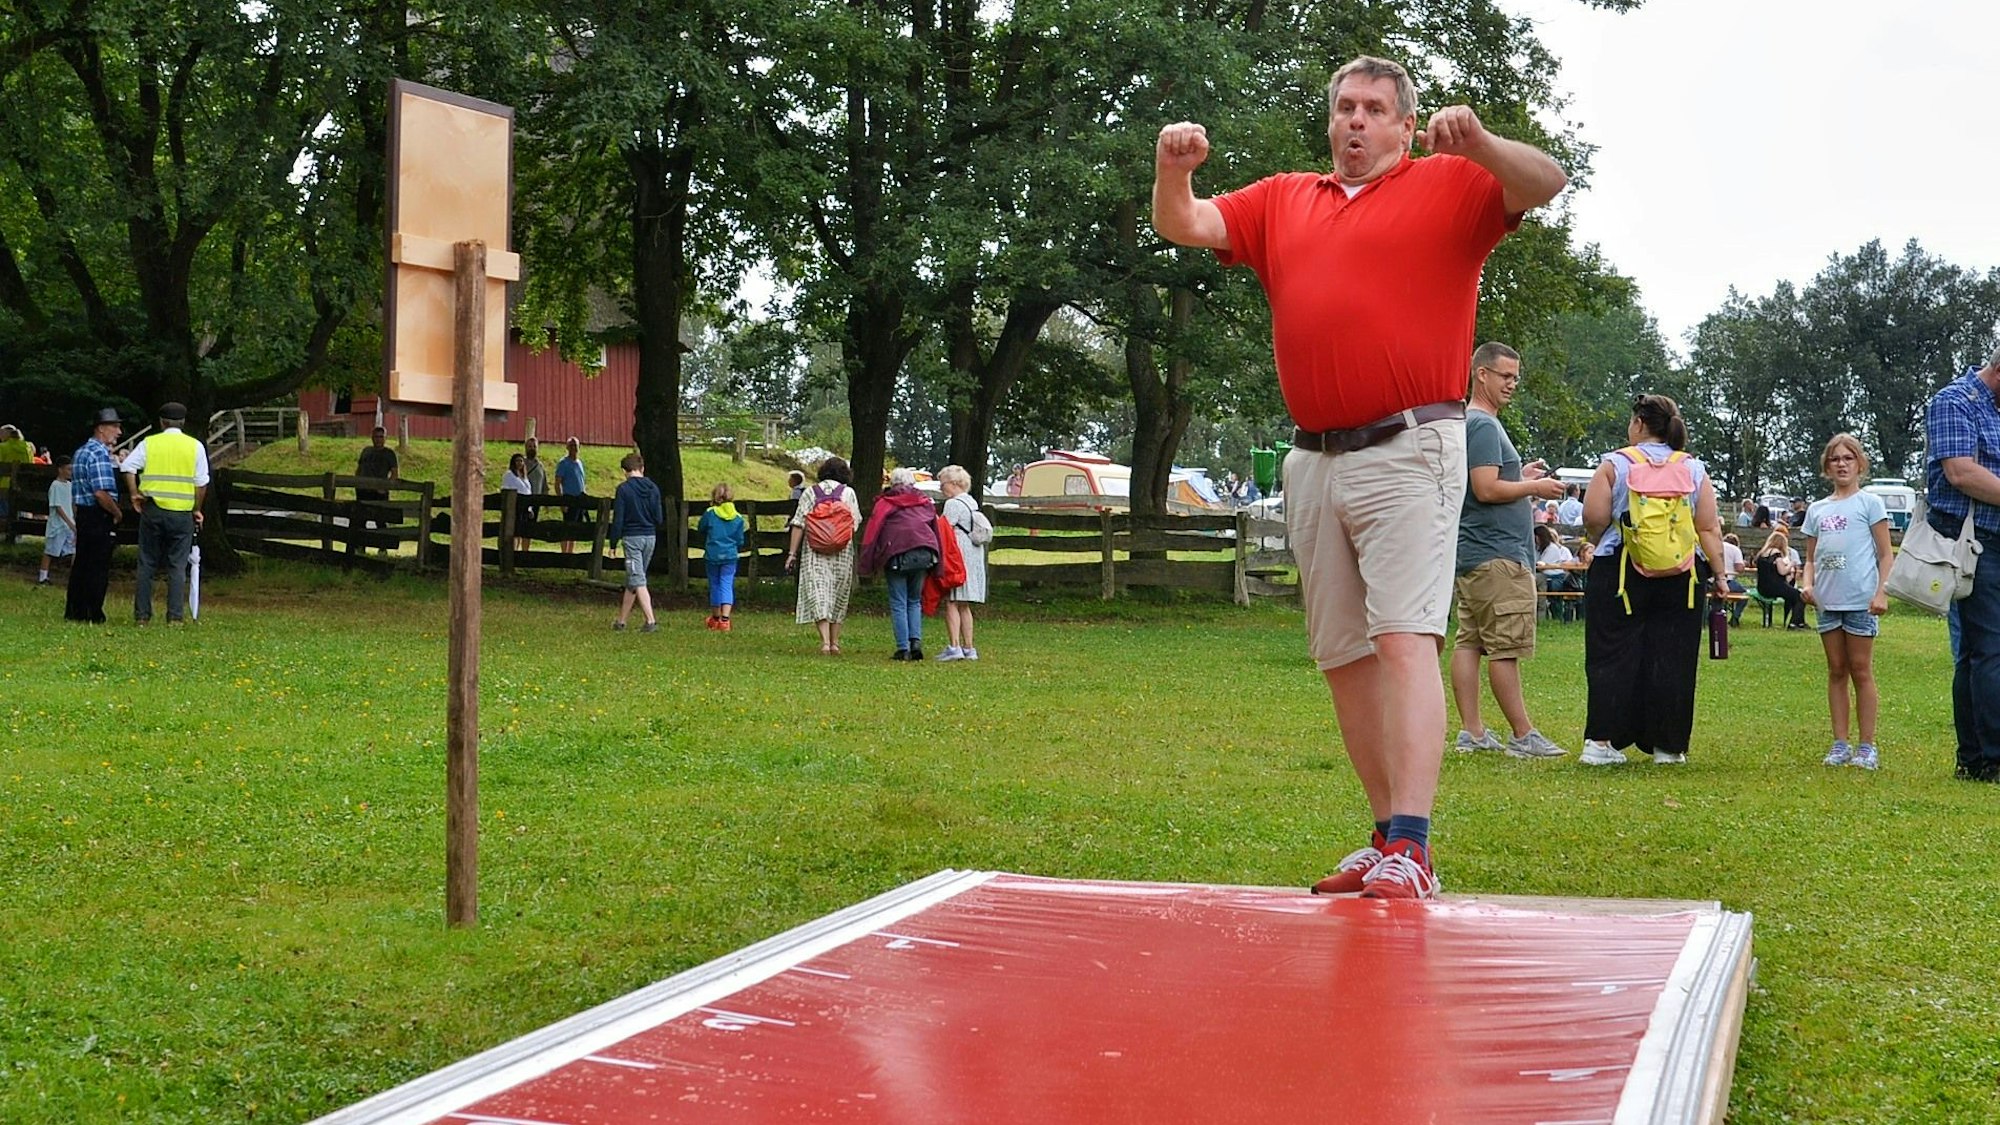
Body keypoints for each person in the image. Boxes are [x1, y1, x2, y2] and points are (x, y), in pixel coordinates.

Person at [1153, 54, 1566, 898]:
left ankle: (1413, 846)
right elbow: (1184, 225)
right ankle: (1384, 834)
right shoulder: (1281, 200)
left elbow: (1549, 180)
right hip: (1313, 457)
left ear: (1404, 126)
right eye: (1345, 106)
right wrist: (1172, 168)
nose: (1355, 120)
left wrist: (1480, 140)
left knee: (1404, 636)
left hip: (1412, 444)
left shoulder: (1450, 182)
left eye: (1375, 109)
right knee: (1343, 653)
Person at [1576, 395, 1726, 766]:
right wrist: (1721, 574)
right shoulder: (1693, 468)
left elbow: (1593, 517)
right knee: (1673, 657)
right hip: (1682, 574)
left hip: (1621, 568)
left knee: (1610, 655)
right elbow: (1707, 526)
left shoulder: (1615, 463)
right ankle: (1668, 747)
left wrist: (1596, 541)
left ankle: (1601, 743)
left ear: (1639, 423)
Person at [1449, 343, 1568, 759]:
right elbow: (1485, 488)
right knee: (1505, 646)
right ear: (1481, 374)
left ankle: (1473, 732)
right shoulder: (1482, 425)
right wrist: (1534, 488)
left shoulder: (1470, 422)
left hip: (1473, 553)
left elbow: (1490, 479)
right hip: (1497, 554)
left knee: (1470, 641)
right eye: (1505, 376)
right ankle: (1522, 735)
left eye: (1516, 377)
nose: (1512, 384)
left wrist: (1521, 474)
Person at [1924, 346, 2000, 782]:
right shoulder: (1954, 402)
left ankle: (1974, 758)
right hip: (1974, 546)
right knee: (1988, 651)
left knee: (1978, 653)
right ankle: (1990, 758)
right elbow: (1961, 472)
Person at [1799, 433, 1892, 770]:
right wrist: (1807, 585)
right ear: (1827, 466)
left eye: (1848, 458)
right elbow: (1810, 558)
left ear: (1859, 464)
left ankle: (1867, 746)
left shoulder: (1870, 504)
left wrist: (1882, 592)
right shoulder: (1817, 510)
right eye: (1835, 459)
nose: (1841, 464)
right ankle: (1840, 743)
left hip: (1860, 600)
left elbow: (1885, 554)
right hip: (1828, 601)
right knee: (1836, 670)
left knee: (1860, 669)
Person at [120, 402, 209, 625]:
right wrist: (197, 509)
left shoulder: (150, 443)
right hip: (182, 513)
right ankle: (175, 618)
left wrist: (134, 494)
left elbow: (127, 467)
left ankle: (142, 616)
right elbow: (201, 482)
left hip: (153, 509)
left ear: (162, 421)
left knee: (147, 563)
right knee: (177, 566)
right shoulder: (195, 446)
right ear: (183, 422)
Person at [859, 466, 941, 661]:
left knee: (898, 602)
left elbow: (872, 532)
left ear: (892, 483)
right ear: (912, 483)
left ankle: (902, 648)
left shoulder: (885, 503)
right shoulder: (924, 502)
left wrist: (867, 562)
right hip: (923, 553)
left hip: (896, 554)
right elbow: (935, 529)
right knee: (914, 600)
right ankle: (916, 643)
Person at [786, 457, 861, 654]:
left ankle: (825, 642)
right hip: (842, 551)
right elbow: (855, 523)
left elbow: (798, 523)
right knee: (838, 593)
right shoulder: (848, 493)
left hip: (814, 550)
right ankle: (835, 642)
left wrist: (792, 553)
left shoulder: (811, 492)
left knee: (818, 592)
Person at [66, 409, 124, 623]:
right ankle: (93, 611)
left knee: (82, 563)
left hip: (83, 513)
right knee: (98, 566)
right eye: (114, 427)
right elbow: (101, 492)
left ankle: (75, 610)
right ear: (101, 428)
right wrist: (117, 513)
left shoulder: (81, 451)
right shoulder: (99, 454)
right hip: (98, 515)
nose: (119, 432)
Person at [936, 464, 987, 661]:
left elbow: (943, 528)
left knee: (952, 601)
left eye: (943, 484)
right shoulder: (971, 502)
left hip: (958, 555)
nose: (942, 489)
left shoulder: (953, 504)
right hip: (973, 554)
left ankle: (954, 646)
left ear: (954, 484)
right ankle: (969, 647)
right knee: (964, 604)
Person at [607, 452, 662, 632]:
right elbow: (659, 517)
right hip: (650, 537)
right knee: (634, 579)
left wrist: (613, 543)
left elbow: (618, 519)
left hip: (632, 538)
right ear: (642, 468)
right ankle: (621, 621)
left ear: (625, 470)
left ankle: (650, 621)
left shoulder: (623, 490)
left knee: (638, 579)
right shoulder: (653, 488)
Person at [698, 482, 746, 631]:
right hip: (730, 556)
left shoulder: (710, 513)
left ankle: (715, 618)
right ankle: (725, 620)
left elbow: (701, 528)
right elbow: (740, 540)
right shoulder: (738, 517)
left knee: (715, 584)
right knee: (727, 583)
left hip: (713, 554)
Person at [355, 425, 399, 553]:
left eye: (381, 437)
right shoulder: (366, 451)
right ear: (372, 437)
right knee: (361, 520)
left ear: (385, 438)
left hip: (379, 492)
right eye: (376, 437)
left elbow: (394, 473)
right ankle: (360, 547)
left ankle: (382, 547)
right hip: (363, 490)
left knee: (380, 520)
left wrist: (385, 488)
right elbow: (359, 469)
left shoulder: (389, 453)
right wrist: (357, 483)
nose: (378, 439)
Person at [1753, 529, 1809, 629]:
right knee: (1799, 596)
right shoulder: (1776, 553)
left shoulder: (1762, 554)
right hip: (1775, 587)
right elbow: (1782, 571)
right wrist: (1791, 564)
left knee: (1792, 595)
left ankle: (1800, 622)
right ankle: (1794, 623)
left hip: (1762, 588)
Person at [38, 455, 76, 586]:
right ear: (60, 470)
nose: (70, 472)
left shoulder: (70, 485)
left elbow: (71, 504)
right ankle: (43, 577)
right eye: (68, 469)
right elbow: (58, 507)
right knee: (50, 551)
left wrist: (74, 520)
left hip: (69, 524)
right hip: (58, 525)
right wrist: (70, 523)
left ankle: (74, 579)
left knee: (73, 551)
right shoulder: (55, 486)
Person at [1533, 524, 1576, 622]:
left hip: (1555, 577)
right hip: (1543, 576)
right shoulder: (1538, 548)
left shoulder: (1552, 548)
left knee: (1539, 580)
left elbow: (1542, 566)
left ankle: (1543, 616)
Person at [555, 437, 587, 554]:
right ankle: (564, 552)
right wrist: (561, 501)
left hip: (579, 499)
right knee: (566, 527)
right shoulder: (563, 463)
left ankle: (571, 552)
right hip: (569, 499)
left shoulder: (580, 463)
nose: (574, 448)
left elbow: (582, 481)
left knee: (575, 528)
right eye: (571, 445)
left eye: (576, 445)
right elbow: (558, 483)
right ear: (567, 447)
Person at [501, 452, 533, 552]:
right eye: (517, 461)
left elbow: (528, 492)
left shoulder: (524, 477)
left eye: (521, 461)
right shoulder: (509, 475)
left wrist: (530, 508)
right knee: (514, 530)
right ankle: (512, 549)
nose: (519, 463)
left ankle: (518, 550)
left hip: (525, 506)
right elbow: (505, 489)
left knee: (521, 530)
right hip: (515, 506)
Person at [1719, 532, 1748, 626]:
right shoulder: (1735, 550)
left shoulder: (1716, 545)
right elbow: (1739, 568)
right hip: (1727, 582)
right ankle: (1735, 617)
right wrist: (1743, 564)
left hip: (1710, 581)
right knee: (1744, 594)